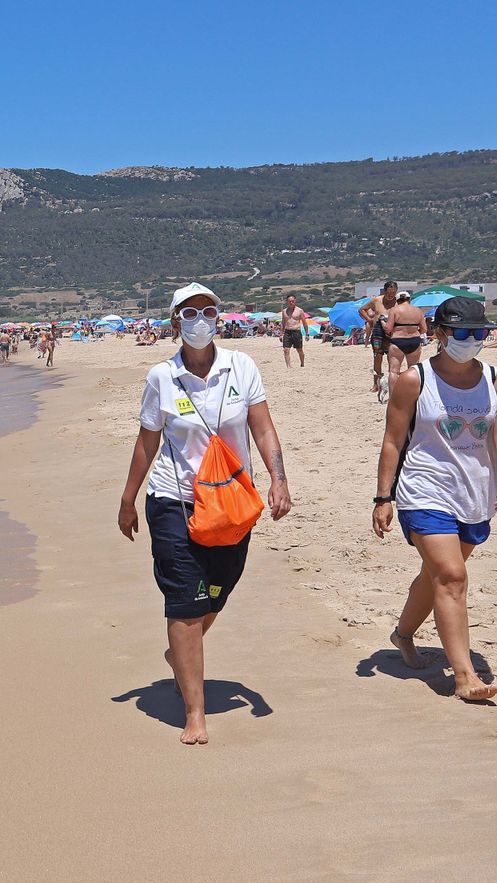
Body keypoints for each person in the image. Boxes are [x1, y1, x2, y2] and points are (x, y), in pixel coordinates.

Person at [117, 283, 294, 745]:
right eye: (190, 313)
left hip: (232, 503)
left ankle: (181, 652)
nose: (200, 320)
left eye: (208, 311)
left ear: (219, 317)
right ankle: (194, 711)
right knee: (185, 602)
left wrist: (278, 479)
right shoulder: (162, 377)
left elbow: (263, 427)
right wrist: (128, 498)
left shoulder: (242, 366)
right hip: (174, 501)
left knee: (216, 594)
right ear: (175, 322)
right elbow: (147, 440)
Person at [373, 296, 497, 703]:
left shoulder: (496, 379)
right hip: (424, 489)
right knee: (452, 576)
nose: (471, 339)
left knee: (436, 575)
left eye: (479, 332)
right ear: (439, 333)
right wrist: (383, 497)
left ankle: (403, 634)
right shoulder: (414, 380)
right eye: (462, 332)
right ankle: (465, 676)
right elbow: (393, 441)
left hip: (474, 492)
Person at [359, 280, 399, 392]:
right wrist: (369, 320)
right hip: (377, 333)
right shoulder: (377, 300)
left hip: (393, 332)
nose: (391, 295)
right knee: (377, 357)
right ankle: (376, 384)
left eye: (393, 293)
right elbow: (362, 309)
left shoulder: (398, 302)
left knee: (392, 358)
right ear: (384, 291)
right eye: (389, 293)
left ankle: (392, 383)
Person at [383, 291, 426, 390]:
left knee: (394, 371)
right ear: (409, 299)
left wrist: (382, 322)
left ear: (397, 300)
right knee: (413, 369)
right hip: (414, 341)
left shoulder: (394, 310)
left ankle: (393, 396)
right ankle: (413, 394)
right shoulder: (418, 311)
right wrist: (414, 332)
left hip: (398, 341)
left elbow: (388, 328)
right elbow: (424, 329)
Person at [280, 295, 308, 368]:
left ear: (295, 301)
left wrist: (307, 333)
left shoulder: (299, 311)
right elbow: (283, 323)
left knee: (299, 350)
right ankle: (288, 366)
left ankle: (302, 363)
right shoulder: (284, 311)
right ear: (287, 302)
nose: (291, 303)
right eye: (290, 301)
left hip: (296, 332)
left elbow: (304, 322)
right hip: (287, 332)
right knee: (286, 349)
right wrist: (281, 334)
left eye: (292, 301)